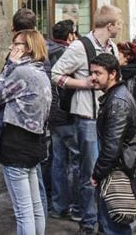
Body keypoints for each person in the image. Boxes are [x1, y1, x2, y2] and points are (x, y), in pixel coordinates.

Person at [51, 5, 122, 234]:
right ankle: (89, 222)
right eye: (119, 23)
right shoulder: (80, 46)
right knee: (89, 171)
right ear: (110, 25)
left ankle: (105, 220)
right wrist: (82, 84)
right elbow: (55, 74)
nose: (120, 26)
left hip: (108, 117)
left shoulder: (112, 47)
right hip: (87, 118)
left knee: (107, 169)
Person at [0, 29, 52, 235]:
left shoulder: (21, 72)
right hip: (34, 142)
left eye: (16, 44)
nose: (11, 48)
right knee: (35, 207)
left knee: (23, 211)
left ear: (28, 48)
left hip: (16, 144)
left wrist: (8, 66)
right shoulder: (41, 71)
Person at [89, 53, 136, 235]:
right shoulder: (115, 97)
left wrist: (97, 173)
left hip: (116, 171)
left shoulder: (117, 101)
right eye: (92, 73)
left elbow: (112, 146)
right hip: (115, 168)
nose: (93, 77)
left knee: (114, 224)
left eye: (97, 73)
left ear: (112, 74)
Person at [46, 20, 81, 222]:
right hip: (66, 114)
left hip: (52, 116)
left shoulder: (45, 50)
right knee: (75, 161)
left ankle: (58, 206)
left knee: (58, 160)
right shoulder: (68, 53)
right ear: (70, 36)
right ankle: (75, 207)